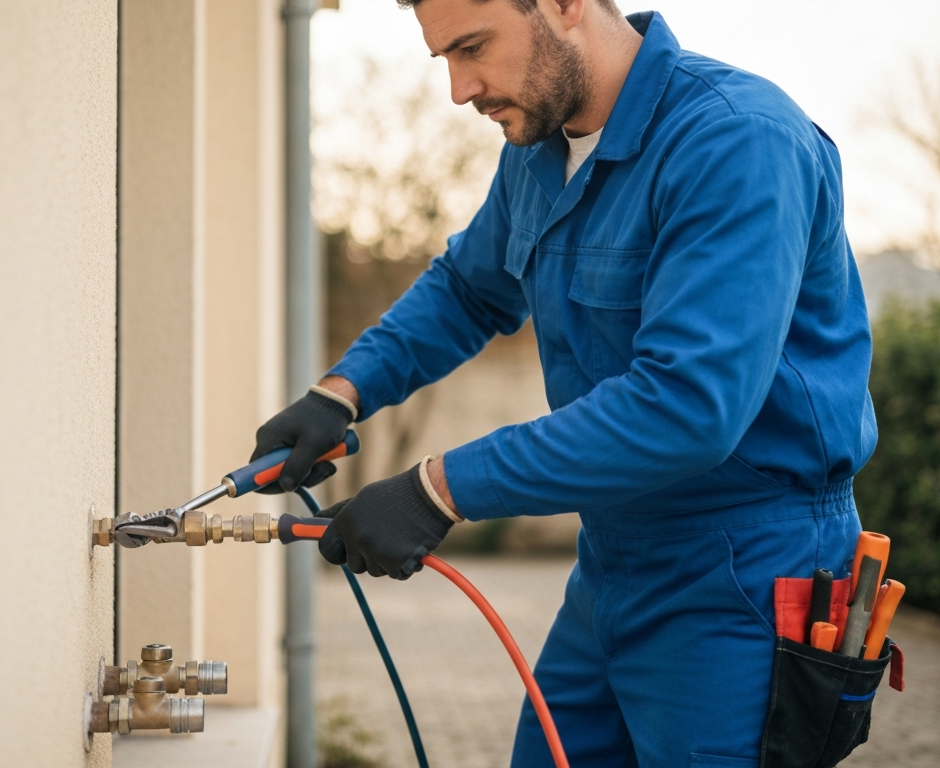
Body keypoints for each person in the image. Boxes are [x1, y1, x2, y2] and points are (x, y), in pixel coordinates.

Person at [251, 0, 876, 765]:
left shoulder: (736, 140)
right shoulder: (539, 147)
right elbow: (469, 289)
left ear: (565, 5)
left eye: (474, 47)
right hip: (613, 558)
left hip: (746, 572)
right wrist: (340, 393)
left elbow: (687, 406)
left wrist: (436, 489)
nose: (459, 88)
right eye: (444, 57)